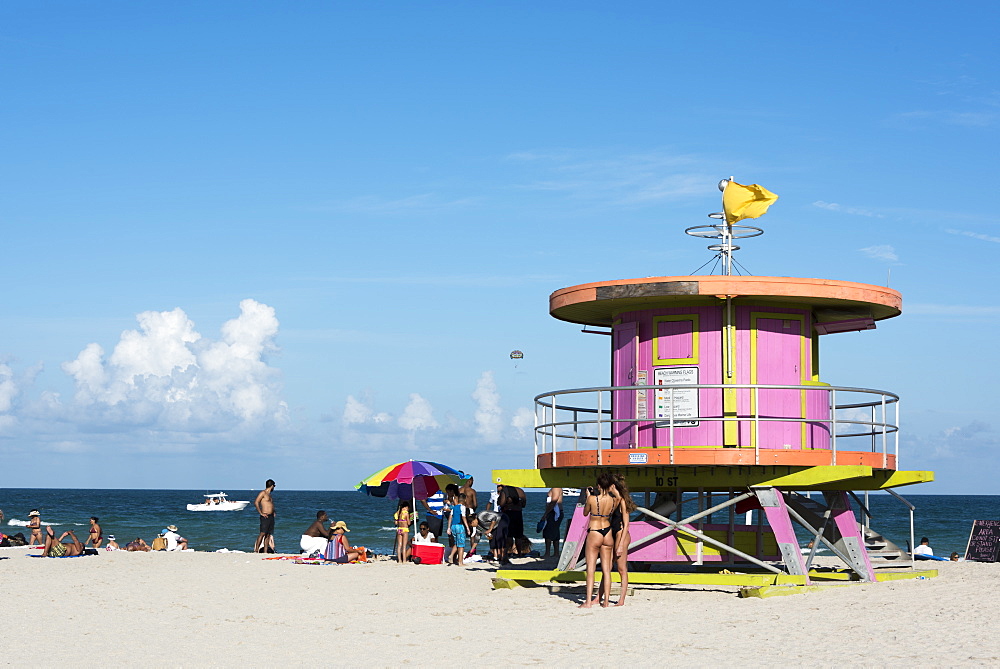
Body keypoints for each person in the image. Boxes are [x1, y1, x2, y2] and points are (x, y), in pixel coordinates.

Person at [579, 474, 615, 608]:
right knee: (607, 570)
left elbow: (585, 513)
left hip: (594, 530)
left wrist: (588, 495)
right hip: (608, 530)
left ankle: (588, 602)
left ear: (599, 486)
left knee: (591, 569)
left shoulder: (592, 499)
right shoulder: (613, 500)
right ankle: (605, 601)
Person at [609, 473, 636, 607]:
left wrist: (620, 545)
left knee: (621, 568)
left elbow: (626, 524)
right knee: (607, 567)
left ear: (613, 486)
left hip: (622, 535)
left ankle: (621, 600)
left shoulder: (622, 502)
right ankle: (599, 597)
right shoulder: (614, 500)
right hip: (614, 533)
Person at [447, 492, 472, 566]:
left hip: (453, 526)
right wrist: (467, 527)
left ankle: (451, 555)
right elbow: (463, 517)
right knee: (461, 545)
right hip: (459, 526)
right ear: (464, 499)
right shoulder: (462, 507)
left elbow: (450, 517)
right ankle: (460, 562)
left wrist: (448, 528)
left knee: (456, 543)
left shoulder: (454, 507)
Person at [541, 487, 564, 557]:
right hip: (554, 513)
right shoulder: (555, 488)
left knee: (548, 532)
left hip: (554, 513)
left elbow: (553, 501)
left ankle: (547, 553)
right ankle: (556, 553)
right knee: (555, 532)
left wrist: (545, 514)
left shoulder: (556, 488)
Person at [254, 479, 276, 553]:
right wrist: (261, 512)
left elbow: (271, 505)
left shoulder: (270, 495)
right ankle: (256, 550)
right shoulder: (263, 493)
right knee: (262, 533)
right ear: (272, 486)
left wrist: (274, 512)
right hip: (265, 516)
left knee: (268, 534)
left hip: (271, 516)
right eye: (274, 486)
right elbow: (256, 502)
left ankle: (265, 551)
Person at [394, 500, 413, 564]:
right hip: (405, 529)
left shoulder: (397, 513)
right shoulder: (406, 513)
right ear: (406, 507)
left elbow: (396, 522)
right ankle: (404, 560)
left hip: (399, 529)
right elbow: (408, 523)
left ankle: (399, 560)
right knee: (404, 546)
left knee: (399, 545)